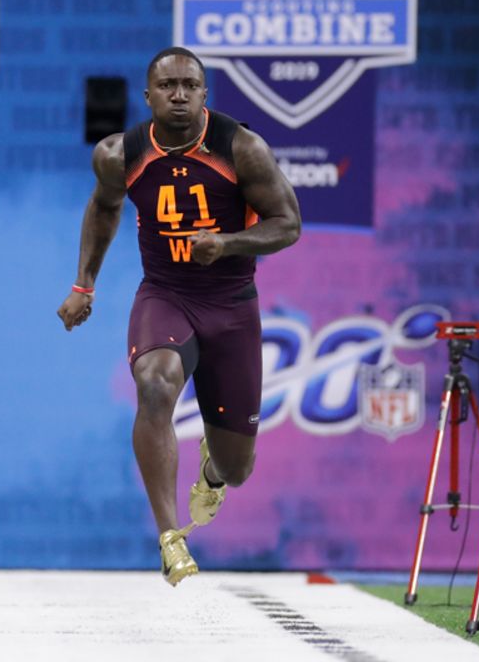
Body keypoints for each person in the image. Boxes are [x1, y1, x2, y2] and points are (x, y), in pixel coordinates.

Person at [57, 47, 301, 586]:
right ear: (148, 97)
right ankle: (170, 537)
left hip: (232, 306)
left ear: (205, 93)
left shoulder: (242, 148)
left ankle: (212, 472)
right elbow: (104, 207)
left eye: (190, 85)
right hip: (165, 294)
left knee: (238, 468)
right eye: (168, 86)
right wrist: (83, 285)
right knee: (155, 382)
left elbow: (288, 223)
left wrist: (230, 242)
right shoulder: (119, 153)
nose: (180, 95)